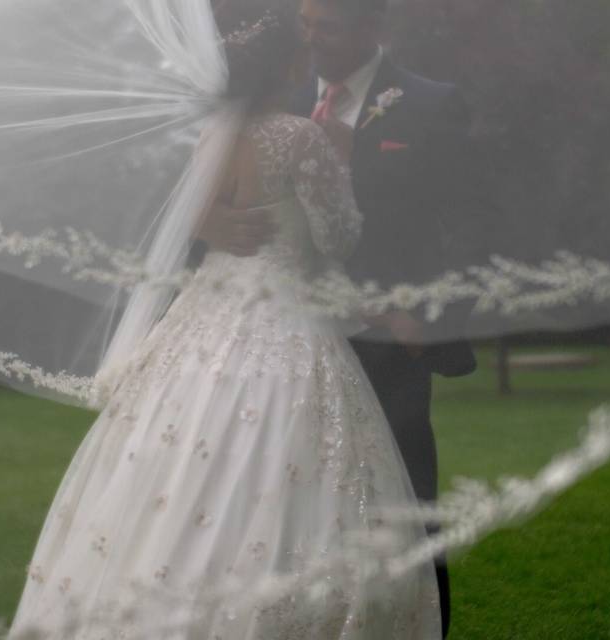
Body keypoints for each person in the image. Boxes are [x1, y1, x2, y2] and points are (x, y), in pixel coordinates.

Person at [8, 3, 440, 638]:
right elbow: (338, 237)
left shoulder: (213, 135)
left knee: (172, 458)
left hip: (203, 316)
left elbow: (179, 215)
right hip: (288, 318)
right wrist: (340, 160)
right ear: (288, 66)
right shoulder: (301, 137)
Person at [198, 1, 478, 636]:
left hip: (387, 338)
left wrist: (427, 319)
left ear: (372, 28)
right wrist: (207, 220)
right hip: (270, 337)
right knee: (272, 496)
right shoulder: (271, 95)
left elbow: (465, 224)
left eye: (329, 25)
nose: (314, 37)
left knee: (401, 503)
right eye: (306, 24)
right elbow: (202, 188)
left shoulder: (432, 104)